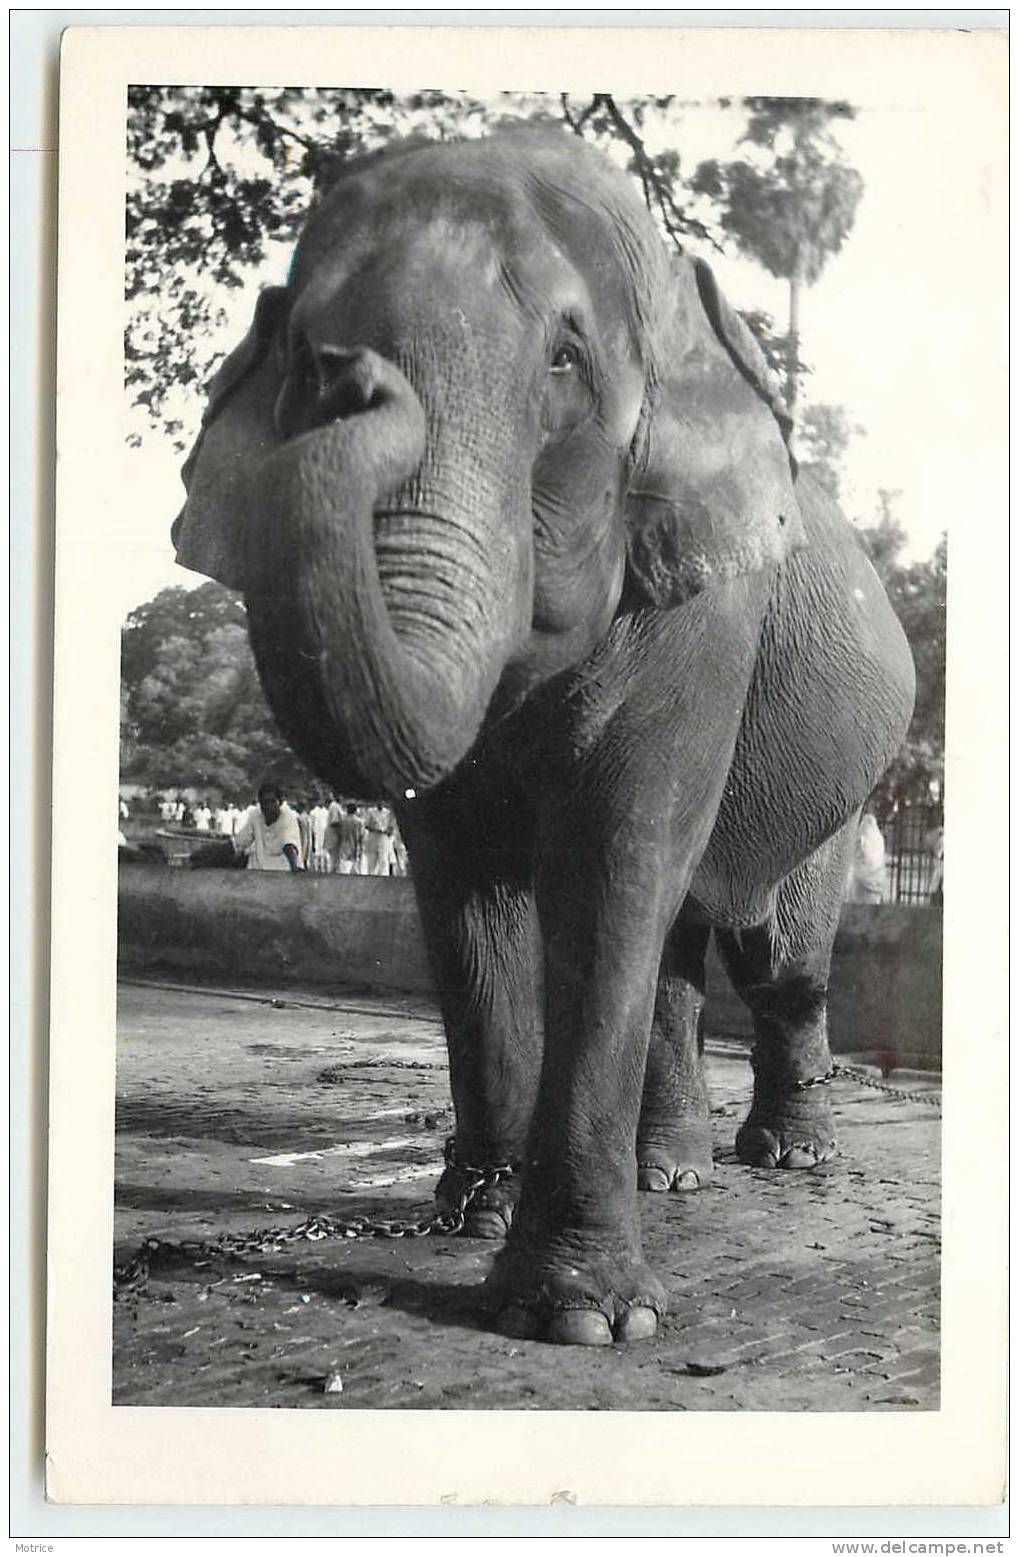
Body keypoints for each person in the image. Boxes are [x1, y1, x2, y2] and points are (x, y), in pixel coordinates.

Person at [232, 782, 303, 872]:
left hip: (282, 872)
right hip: (257, 872)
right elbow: (240, 842)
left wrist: (295, 872)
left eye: (272, 801)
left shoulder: (288, 817)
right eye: (264, 802)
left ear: (280, 802)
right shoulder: (255, 815)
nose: (268, 806)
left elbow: (289, 846)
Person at [844, 810, 887, 904]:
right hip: (876, 880)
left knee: (858, 903)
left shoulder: (861, 838)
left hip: (861, 880)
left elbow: (856, 854)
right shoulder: (879, 839)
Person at [362, 803, 396, 877]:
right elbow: (366, 825)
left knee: (383, 858)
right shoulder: (371, 811)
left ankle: (383, 876)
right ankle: (371, 875)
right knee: (372, 857)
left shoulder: (388, 813)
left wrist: (387, 831)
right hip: (373, 835)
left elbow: (391, 826)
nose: (380, 803)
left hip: (383, 836)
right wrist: (375, 829)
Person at [333, 802, 366, 875]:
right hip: (355, 845)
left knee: (343, 868)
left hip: (344, 844)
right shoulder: (359, 822)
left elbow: (338, 833)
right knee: (357, 869)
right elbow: (361, 836)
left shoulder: (342, 821)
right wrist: (361, 847)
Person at [308, 797, 332, 872]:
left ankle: (325, 869)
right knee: (317, 853)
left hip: (325, 834)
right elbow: (311, 826)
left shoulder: (327, 812)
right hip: (317, 834)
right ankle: (316, 869)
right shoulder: (313, 812)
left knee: (325, 854)